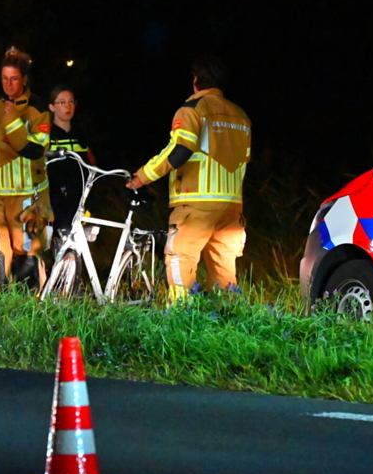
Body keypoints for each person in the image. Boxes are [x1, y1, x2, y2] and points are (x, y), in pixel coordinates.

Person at [126, 55, 251, 301]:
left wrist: (140, 178)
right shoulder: (241, 116)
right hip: (232, 205)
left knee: (180, 260)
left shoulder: (192, 109)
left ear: (195, 80)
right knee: (225, 271)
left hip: (197, 202)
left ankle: (182, 321)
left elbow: (180, 150)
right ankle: (228, 321)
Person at [0, 47, 53, 290]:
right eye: (4, 78)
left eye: (14, 79)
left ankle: (28, 308)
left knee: (25, 249)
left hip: (24, 195)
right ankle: (2, 305)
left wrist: (12, 122)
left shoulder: (37, 109)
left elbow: (35, 149)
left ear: (24, 79)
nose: (9, 84)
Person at [46, 85, 96, 244]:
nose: (67, 106)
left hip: (79, 194)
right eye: (61, 102)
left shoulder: (79, 132)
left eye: (70, 102)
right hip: (54, 196)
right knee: (60, 238)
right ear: (52, 107)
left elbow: (90, 159)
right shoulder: (47, 134)